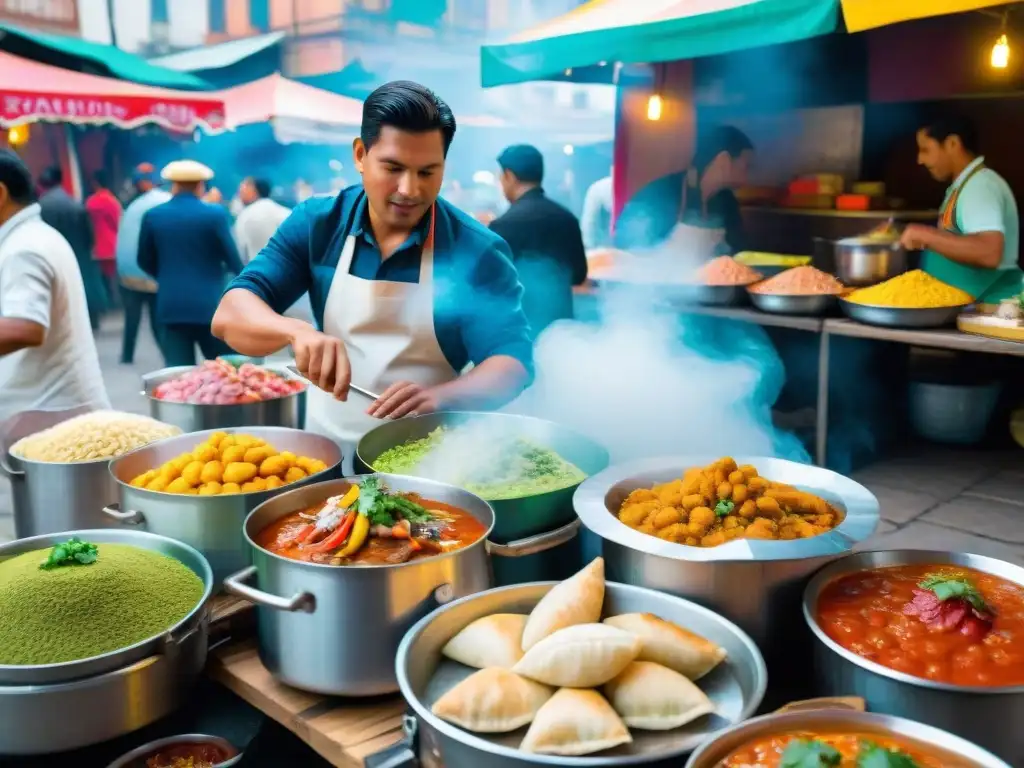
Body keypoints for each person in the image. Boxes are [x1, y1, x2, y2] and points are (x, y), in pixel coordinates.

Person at [212, 81, 533, 463]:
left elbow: (513, 362)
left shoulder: (476, 249)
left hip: (429, 459)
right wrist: (295, 331)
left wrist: (441, 397)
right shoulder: (318, 224)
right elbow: (229, 316)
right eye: (393, 168)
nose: (409, 189)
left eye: (427, 172)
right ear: (361, 154)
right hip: (324, 455)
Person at [0, 151, 108, 424]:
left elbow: (25, 327)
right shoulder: (29, 237)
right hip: (50, 415)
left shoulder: (23, 249)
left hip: (47, 421)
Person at [900, 114, 1022, 303]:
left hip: (991, 314)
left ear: (953, 144)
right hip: (970, 311)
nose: (920, 159)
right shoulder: (964, 185)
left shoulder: (980, 186)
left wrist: (925, 235)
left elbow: (989, 252)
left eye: (926, 149)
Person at [139, 160, 243, 367]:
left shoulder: (153, 216)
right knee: (224, 373)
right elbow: (234, 261)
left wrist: (167, 277)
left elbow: (143, 260)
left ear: (173, 185)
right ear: (200, 186)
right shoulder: (215, 214)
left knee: (180, 374)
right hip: (212, 306)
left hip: (172, 306)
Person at [489, 144, 588, 335]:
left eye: (500, 177)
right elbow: (579, 275)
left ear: (509, 175)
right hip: (560, 333)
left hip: (520, 333)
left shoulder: (504, 225)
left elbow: (492, 285)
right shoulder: (567, 218)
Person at [615, 125, 753, 260]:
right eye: (746, 167)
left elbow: (738, 256)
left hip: (708, 282)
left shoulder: (727, 202)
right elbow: (625, 249)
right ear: (724, 160)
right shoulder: (660, 195)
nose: (747, 178)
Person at [37, 166, 105, 330]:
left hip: (52, 254)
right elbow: (89, 235)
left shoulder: (41, 207)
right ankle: (93, 319)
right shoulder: (74, 203)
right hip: (79, 252)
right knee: (84, 285)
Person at [116, 165, 171, 364]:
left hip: (127, 270)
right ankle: (168, 356)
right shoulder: (162, 202)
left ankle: (127, 354)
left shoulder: (132, 204)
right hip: (150, 270)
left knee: (132, 317)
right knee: (157, 318)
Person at [85, 170, 123, 311]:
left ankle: (105, 305)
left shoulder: (90, 202)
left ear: (96, 183)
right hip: (112, 245)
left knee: (101, 279)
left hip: (96, 247)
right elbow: (118, 223)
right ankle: (116, 303)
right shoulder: (112, 201)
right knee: (114, 278)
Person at [233, 177, 291, 264]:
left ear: (253, 190)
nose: (239, 194)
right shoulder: (286, 213)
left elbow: (239, 253)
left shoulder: (245, 216)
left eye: (242, 188)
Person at [580, 167, 613, 249]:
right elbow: (589, 225)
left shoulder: (599, 188)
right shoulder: (599, 189)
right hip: (604, 250)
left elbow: (589, 225)